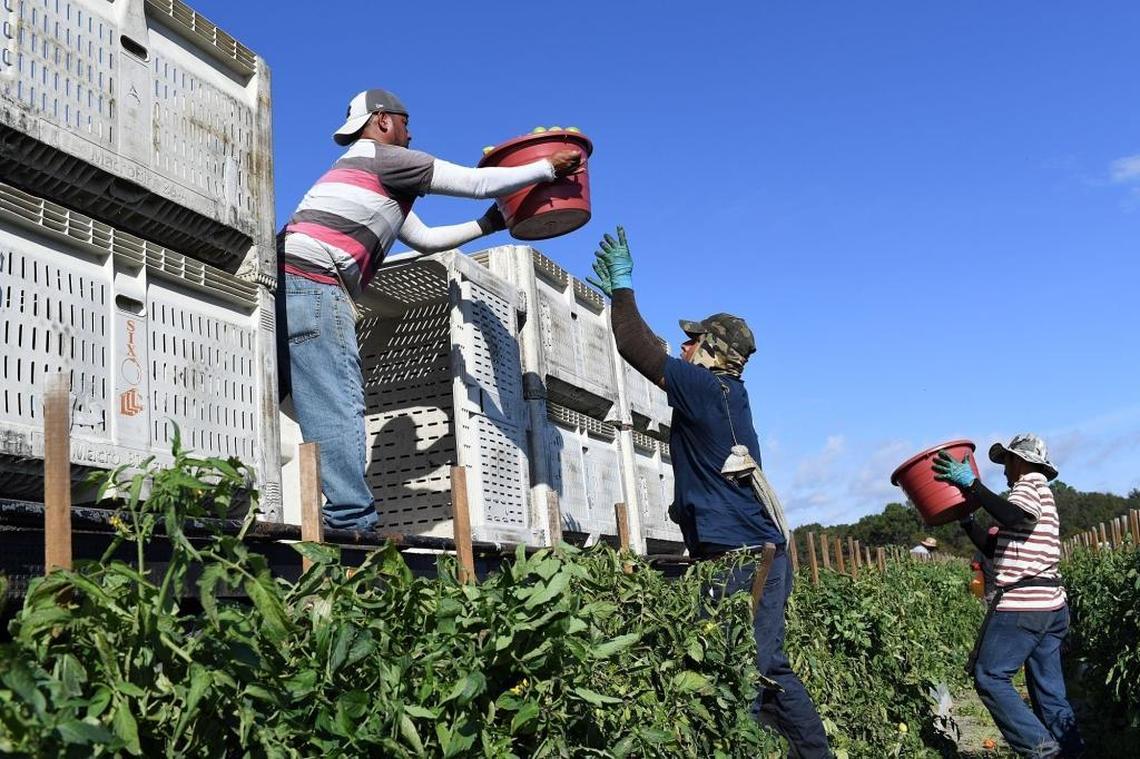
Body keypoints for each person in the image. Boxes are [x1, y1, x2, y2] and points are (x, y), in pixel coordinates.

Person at [277, 88, 582, 530]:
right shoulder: (386, 158)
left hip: (287, 279)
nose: (410, 132)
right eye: (405, 122)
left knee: (290, 397)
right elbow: (477, 184)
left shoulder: (370, 178)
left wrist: (489, 224)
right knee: (338, 401)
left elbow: (424, 240)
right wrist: (546, 167)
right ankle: (349, 522)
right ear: (383, 120)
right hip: (316, 283)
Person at [588, 227, 831, 758]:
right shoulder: (721, 393)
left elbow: (637, 348)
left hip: (744, 561)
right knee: (763, 667)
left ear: (713, 351)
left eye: (693, 340)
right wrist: (621, 299)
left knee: (734, 669)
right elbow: (655, 350)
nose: (683, 345)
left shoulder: (707, 389)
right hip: (750, 554)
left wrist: (623, 290)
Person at [933, 434, 1083, 758]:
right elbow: (992, 547)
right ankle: (1071, 751)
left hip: (1024, 606)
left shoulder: (1030, 485)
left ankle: (1042, 751)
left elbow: (1016, 516)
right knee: (1049, 693)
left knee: (989, 675)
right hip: (1051, 607)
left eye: (1006, 462)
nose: (1003, 471)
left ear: (1020, 461)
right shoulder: (1040, 495)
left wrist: (973, 485)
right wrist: (966, 520)